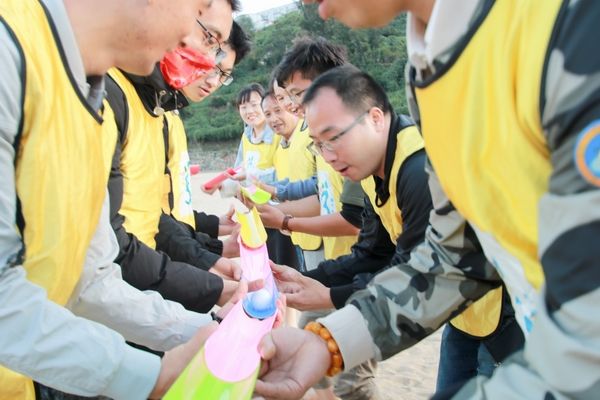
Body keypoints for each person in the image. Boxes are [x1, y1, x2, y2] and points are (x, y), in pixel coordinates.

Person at [255, 0, 600, 398]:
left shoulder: (570, 25)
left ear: (375, 117)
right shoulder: (429, 69)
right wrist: (329, 343)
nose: (319, 9)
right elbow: (457, 251)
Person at [0, 0, 220, 398]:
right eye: (199, 10)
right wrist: (149, 377)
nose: (195, 45)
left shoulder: (89, 100)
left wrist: (213, 335)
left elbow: (91, 283)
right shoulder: (9, 49)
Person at [105, 0, 243, 313]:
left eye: (222, 72)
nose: (208, 69)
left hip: (140, 283)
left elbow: (155, 213)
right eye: (209, 40)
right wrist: (210, 276)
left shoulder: (159, 111)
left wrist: (209, 256)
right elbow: (109, 243)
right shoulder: (110, 94)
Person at [156, 21, 252, 268]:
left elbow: (173, 209)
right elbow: (146, 218)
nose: (213, 81)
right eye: (211, 65)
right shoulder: (151, 112)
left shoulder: (171, 115)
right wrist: (213, 252)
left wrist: (215, 230)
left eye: (223, 74)